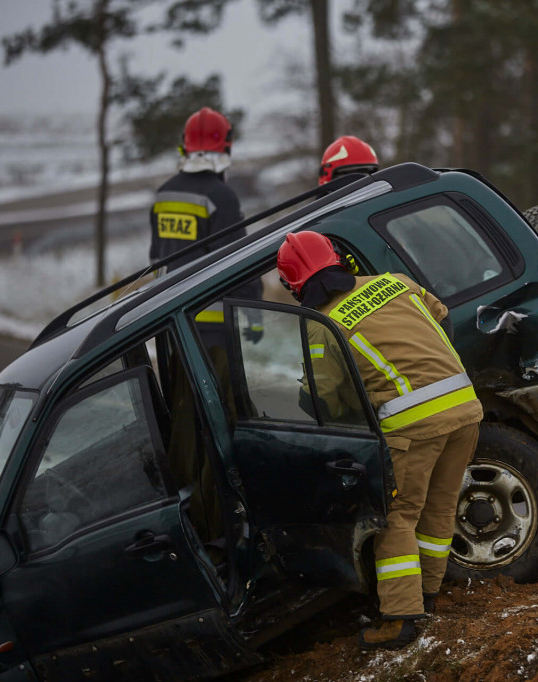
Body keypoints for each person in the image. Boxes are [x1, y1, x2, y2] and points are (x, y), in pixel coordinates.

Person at [276, 231, 482, 650]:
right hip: (465, 407)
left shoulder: (323, 327)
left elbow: (321, 397)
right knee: (438, 509)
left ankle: (400, 619)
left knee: (397, 517)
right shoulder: (397, 282)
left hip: (413, 425)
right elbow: (440, 316)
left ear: (294, 285)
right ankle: (425, 595)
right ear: (340, 262)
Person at [148, 106, 263, 348]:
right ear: (226, 146)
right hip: (212, 332)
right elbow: (239, 262)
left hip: (169, 325)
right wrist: (255, 317)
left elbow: (156, 259)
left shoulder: (163, 195)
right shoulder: (222, 197)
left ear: (185, 145)